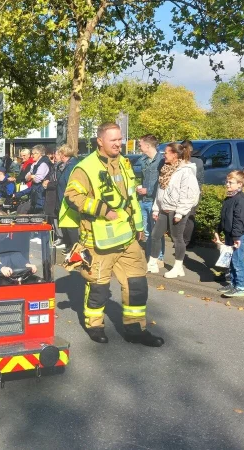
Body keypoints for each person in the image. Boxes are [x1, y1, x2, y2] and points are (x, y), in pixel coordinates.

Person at [63, 122, 163, 347]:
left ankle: (135, 329)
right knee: (98, 288)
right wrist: (102, 210)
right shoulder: (84, 167)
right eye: (113, 140)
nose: (119, 144)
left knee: (137, 285)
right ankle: (95, 325)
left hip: (127, 239)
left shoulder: (125, 163)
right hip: (99, 241)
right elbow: (72, 196)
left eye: (120, 139)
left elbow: (130, 198)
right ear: (100, 141)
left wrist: (138, 228)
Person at [149, 143, 199, 278]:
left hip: (176, 210)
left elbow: (189, 194)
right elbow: (160, 190)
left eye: (166, 152)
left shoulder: (186, 171)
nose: (163, 155)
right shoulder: (166, 168)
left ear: (175, 155)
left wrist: (180, 212)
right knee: (155, 235)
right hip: (164, 209)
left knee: (177, 239)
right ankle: (152, 263)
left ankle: (178, 268)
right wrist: (156, 208)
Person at [214, 171, 244, 298]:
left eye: (230, 182)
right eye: (227, 181)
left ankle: (241, 287)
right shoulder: (229, 198)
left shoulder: (242, 200)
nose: (227, 184)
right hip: (230, 233)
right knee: (231, 260)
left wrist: (236, 237)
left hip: (238, 235)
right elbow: (224, 217)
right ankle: (234, 283)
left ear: (240, 184)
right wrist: (218, 230)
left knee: (237, 261)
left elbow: (239, 220)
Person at [136, 135, 165, 263]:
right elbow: (140, 176)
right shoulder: (143, 160)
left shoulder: (161, 160)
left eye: (140, 144)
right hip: (143, 200)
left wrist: (149, 190)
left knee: (157, 232)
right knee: (147, 231)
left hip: (155, 201)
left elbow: (163, 183)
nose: (139, 147)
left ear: (148, 146)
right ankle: (149, 257)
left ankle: (159, 258)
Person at [56, 144, 81, 251]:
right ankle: (69, 245)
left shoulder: (71, 165)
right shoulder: (65, 165)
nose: (59, 156)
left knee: (71, 225)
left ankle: (74, 247)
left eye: (60, 153)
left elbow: (70, 182)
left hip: (69, 198)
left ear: (64, 154)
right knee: (66, 223)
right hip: (63, 197)